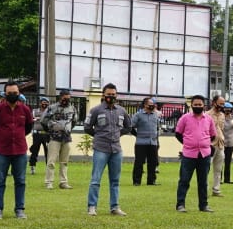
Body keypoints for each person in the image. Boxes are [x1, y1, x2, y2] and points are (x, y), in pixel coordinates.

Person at [84, 83, 131, 216]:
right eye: (108, 95)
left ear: (116, 95)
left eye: (113, 95)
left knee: (115, 180)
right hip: (101, 149)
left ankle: (115, 207)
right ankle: (92, 207)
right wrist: (99, 136)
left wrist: (117, 134)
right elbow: (87, 127)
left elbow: (128, 126)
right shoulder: (96, 110)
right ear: (103, 95)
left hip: (116, 149)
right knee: (95, 179)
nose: (111, 97)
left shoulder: (121, 111)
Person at [0, 82, 33, 219]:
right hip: (2, 150)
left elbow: (28, 128)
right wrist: (3, 137)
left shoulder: (25, 110)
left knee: (20, 181)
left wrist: (17, 136)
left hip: (20, 150)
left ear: (19, 93)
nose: (13, 95)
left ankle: (19, 209)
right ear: (5, 94)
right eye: (10, 93)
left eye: (15, 93)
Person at [174, 95, 216, 213]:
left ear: (204, 106)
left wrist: (204, 143)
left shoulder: (208, 119)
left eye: (200, 104)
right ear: (191, 105)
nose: (198, 106)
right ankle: (180, 205)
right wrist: (188, 142)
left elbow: (213, 135)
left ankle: (203, 205)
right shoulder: (185, 118)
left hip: (204, 154)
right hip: (188, 154)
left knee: (203, 181)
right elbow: (178, 133)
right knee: (184, 180)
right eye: (195, 104)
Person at [43, 89, 77, 190]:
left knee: (64, 162)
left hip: (66, 138)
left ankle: (63, 182)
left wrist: (67, 129)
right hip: (54, 138)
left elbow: (74, 121)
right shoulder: (52, 108)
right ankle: (49, 182)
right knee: (51, 161)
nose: (66, 100)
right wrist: (51, 131)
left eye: (68, 98)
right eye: (64, 98)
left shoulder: (72, 109)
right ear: (60, 97)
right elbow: (43, 120)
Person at [131, 97, 161, 186]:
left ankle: (151, 181)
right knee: (139, 162)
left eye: (153, 105)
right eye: (150, 105)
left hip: (153, 142)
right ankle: (137, 181)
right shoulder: (138, 115)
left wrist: (157, 136)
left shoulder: (155, 115)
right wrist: (137, 135)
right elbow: (131, 126)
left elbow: (157, 127)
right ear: (145, 105)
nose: (152, 106)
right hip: (141, 143)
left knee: (153, 162)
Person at [209, 94, 227, 197]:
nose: (222, 106)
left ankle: (216, 190)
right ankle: (204, 189)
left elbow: (221, 129)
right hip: (210, 145)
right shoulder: (207, 115)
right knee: (206, 168)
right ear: (214, 102)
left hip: (220, 145)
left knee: (218, 169)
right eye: (220, 103)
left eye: (223, 104)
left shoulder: (222, 115)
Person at [28, 97, 50, 174]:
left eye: (46, 102)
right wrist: (36, 119)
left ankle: (48, 168)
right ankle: (32, 167)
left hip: (46, 134)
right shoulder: (35, 111)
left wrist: (39, 119)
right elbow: (30, 119)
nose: (44, 104)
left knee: (48, 151)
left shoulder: (49, 112)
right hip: (36, 134)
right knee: (34, 151)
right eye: (43, 102)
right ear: (40, 103)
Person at [222, 102, 233, 184]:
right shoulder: (221, 118)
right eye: (226, 109)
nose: (227, 111)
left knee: (228, 161)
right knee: (220, 161)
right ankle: (219, 179)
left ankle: (227, 179)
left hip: (230, 142)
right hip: (222, 141)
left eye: (229, 109)